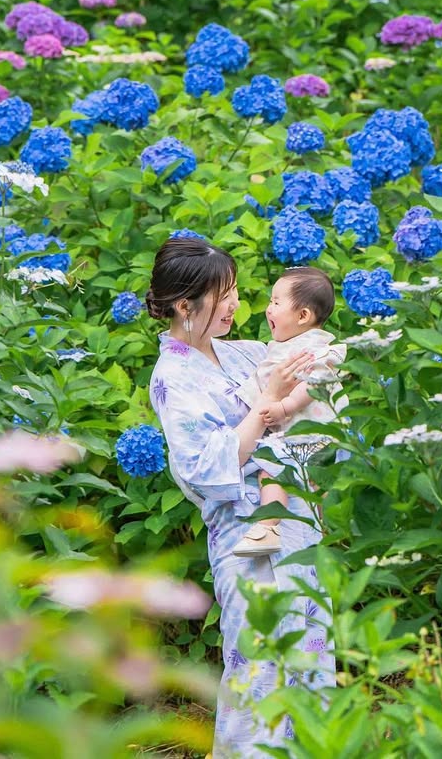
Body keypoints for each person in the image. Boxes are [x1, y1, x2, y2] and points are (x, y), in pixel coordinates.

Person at [147, 237, 335, 757]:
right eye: (224, 295)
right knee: (258, 660)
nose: (235, 304)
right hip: (242, 528)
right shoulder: (173, 378)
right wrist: (267, 406)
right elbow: (204, 467)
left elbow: (313, 361)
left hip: (296, 514)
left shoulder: (243, 353)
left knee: (311, 643)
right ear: (186, 306)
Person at [235, 267, 347, 558]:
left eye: (275, 302)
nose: (268, 308)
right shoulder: (291, 345)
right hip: (312, 437)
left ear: (303, 316)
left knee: (270, 472)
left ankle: (267, 528)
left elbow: (315, 382)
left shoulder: (312, 350)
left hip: (309, 434)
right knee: (317, 487)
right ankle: (325, 532)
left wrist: (284, 406)